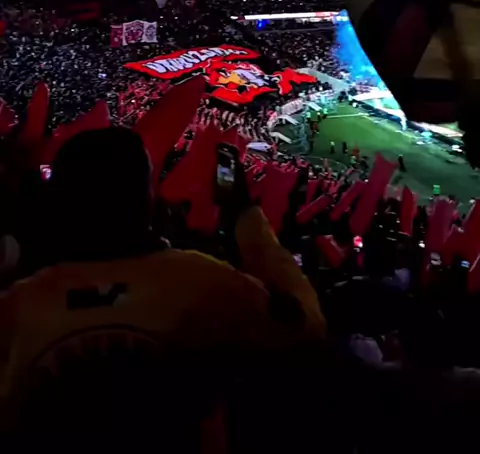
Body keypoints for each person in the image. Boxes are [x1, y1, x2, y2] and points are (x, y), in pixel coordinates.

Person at [0, 127, 325, 444]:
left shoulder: (19, 304)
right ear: (147, 198)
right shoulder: (202, 281)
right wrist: (245, 216)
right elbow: (305, 326)